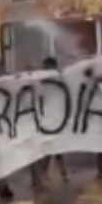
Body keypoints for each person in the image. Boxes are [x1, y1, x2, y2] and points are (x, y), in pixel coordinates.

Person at [30, 57, 70, 190]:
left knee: (51, 149)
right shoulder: (40, 81)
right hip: (40, 121)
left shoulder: (56, 81)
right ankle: (39, 178)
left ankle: (42, 176)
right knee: (41, 150)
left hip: (51, 121)